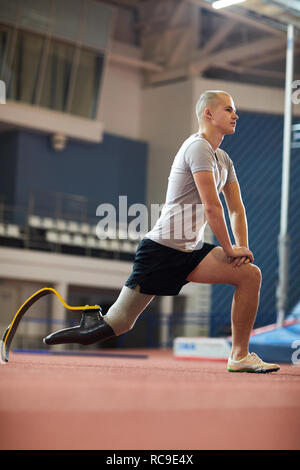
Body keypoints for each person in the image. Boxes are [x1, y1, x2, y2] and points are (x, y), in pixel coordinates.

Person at [44, 90, 280, 373]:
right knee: (117, 324)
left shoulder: (224, 160)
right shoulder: (197, 148)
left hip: (191, 252)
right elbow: (212, 207)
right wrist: (230, 249)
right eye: (229, 109)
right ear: (208, 114)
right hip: (161, 250)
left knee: (250, 275)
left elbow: (236, 209)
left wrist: (241, 250)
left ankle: (239, 356)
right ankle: (64, 331)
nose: (235, 115)